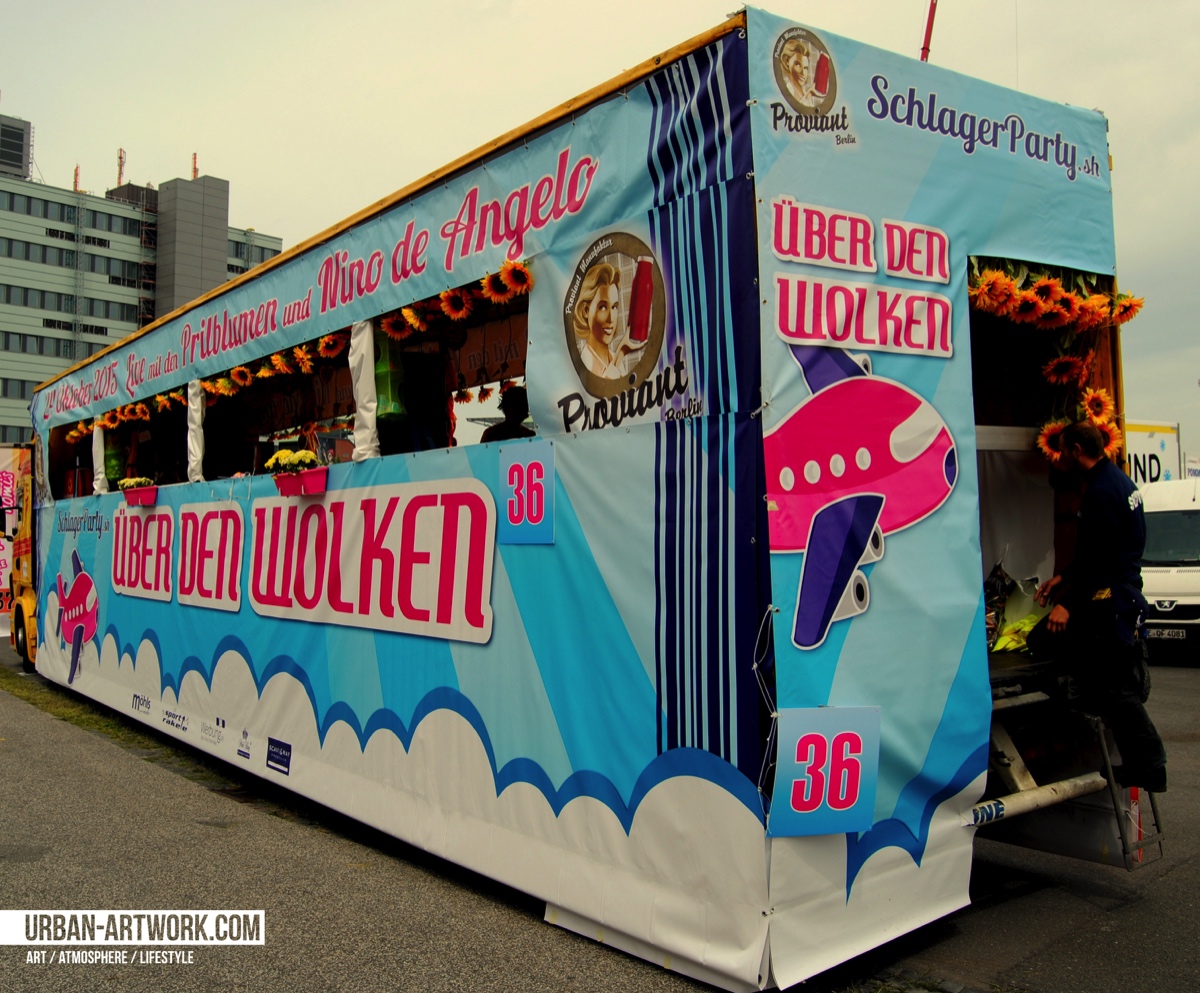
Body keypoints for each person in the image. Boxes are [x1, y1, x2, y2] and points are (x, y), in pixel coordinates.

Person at [1034, 420, 1167, 792]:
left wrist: (1067, 604)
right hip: (1121, 591)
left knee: (1115, 688)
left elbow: (1100, 561)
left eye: (1063, 451)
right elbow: (1099, 550)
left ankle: (1153, 765)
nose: (1060, 457)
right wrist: (1064, 577)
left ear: (1077, 451)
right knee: (1113, 688)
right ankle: (1140, 765)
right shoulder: (1119, 481)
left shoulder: (1101, 492)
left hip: (1114, 598)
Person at [572, 261, 644, 379]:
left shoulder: (616, 359)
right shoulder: (584, 364)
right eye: (603, 307)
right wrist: (620, 354)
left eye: (614, 307)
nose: (611, 318)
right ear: (586, 310)